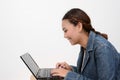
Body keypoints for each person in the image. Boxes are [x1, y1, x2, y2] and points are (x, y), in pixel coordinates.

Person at [30, 8, 120, 80]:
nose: (64, 36)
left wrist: (69, 75)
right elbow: (88, 74)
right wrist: (71, 69)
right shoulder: (84, 47)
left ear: (79, 26)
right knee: (33, 78)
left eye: (66, 30)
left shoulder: (102, 48)